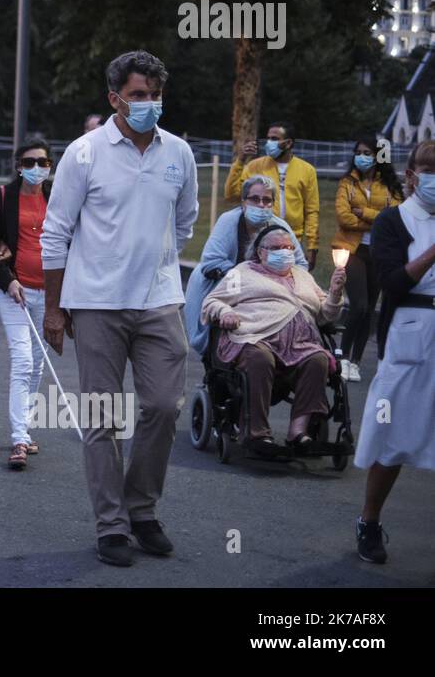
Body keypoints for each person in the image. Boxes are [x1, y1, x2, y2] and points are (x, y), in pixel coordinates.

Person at [41, 50, 197, 568]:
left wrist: (153, 263)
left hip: (159, 302)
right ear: (114, 99)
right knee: (102, 418)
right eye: (137, 96)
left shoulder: (179, 154)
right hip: (96, 305)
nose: (148, 104)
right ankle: (112, 525)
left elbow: (184, 222)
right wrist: (56, 309)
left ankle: (142, 510)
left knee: (163, 406)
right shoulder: (83, 154)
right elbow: (56, 232)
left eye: (155, 96)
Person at [351, 139, 435, 564]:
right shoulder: (392, 221)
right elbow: (393, 282)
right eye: (427, 168)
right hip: (410, 333)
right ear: (411, 174)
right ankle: (369, 520)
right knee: (393, 432)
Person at [201, 225, 346, 454]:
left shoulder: (303, 276)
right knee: (259, 357)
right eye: (277, 247)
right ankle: (257, 434)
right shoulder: (243, 273)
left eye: (288, 247)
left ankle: (298, 433)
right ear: (261, 252)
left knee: (318, 359)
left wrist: (335, 292)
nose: (284, 252)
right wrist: (224, 312)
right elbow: (212, 301)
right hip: (256, 336)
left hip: (300, 345)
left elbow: (325, 314)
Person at [0, 137, 54, 470]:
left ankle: (24, 426)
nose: (36, 168)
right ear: (18, 166)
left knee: (37, 364)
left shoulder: (58, 197)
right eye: (29, 162)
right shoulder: (2, 197)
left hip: (51, 295)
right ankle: (19, 438)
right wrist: (7, 280)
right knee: (23, 361)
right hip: (16, 293)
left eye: (42, 162)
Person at [182, 175, 306, 355]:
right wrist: (247, 277)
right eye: (255, 199)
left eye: (267, 200)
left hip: (271, 291)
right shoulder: (228, 221)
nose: (261, 204)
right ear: (243, 202)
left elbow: (300, 263)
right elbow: (211, 261)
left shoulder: (280, 227)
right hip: (231, 285)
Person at [331, 137, 403, 382]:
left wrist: (365, 213)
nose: (362, 157)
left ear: (379, 156)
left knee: (370, 308)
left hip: (379, 252)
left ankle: (355, 362)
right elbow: (344, 217)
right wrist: (378, 218)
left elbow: (396, 214)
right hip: (351, 250)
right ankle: (342, 356)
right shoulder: (347, 183)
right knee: (359, 306)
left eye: (367, 153)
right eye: (358, 152)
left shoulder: (390, 185)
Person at [225, 121, 319, 270]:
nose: (269, 143)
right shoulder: (255, 166)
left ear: (288, 143)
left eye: (275, 139)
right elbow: (231, 195)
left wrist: (312, 246)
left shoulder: (307, 171)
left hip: (291, 241)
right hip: (259, 238)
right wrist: (240, 161)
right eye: (268, 138)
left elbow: (311, 210)